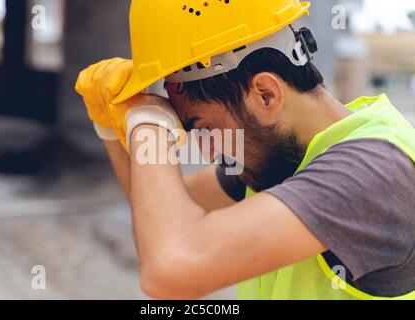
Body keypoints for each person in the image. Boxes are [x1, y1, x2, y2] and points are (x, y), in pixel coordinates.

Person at [75, 0, 415, 300]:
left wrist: (149, 124)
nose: (208, 154)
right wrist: (110, 126)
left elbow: (171, 268)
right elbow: (156, 218)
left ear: (265, 94)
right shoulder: (282, 159)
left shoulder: (373, 171)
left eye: (204, 127)